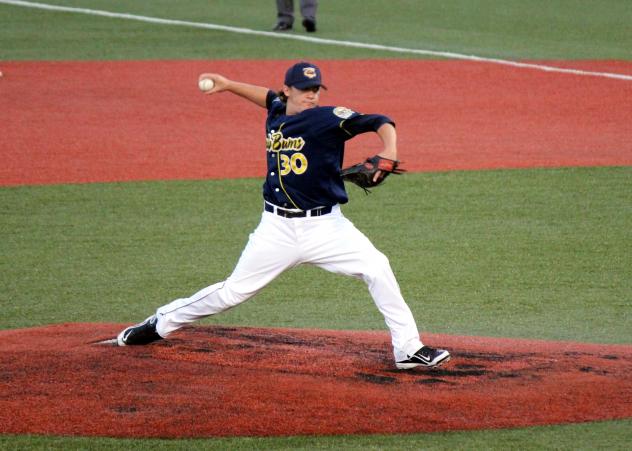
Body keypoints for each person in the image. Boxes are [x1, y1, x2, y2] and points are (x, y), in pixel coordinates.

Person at [117, 61, 451, 370]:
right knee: (233, 292)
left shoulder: (328, 118)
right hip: (275, 230)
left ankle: (407, 348)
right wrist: (229, 84)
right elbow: (266, 98)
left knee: (377, 267)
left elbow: (379, 121)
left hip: (326, 228)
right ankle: (160, 323)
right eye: (305, 89)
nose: (312, 95)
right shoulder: (277, 112)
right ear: (287, 90)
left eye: (316, 89)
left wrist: (389, 149)